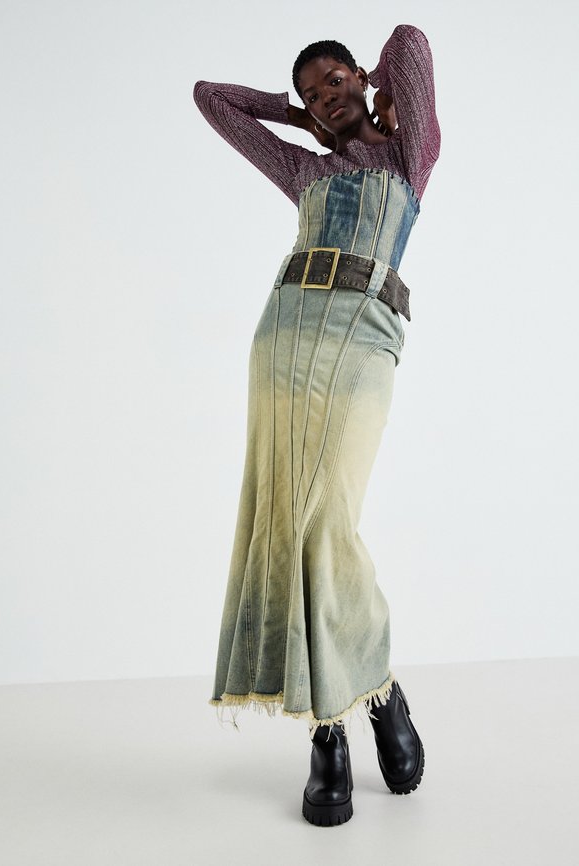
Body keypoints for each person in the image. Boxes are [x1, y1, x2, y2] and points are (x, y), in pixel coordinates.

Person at [193, 22, 441, 827]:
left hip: (365, 334)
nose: (326, 97)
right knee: (286, 525)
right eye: (312, 93)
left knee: (326, 521)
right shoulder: (302, 166)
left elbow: (410, 40)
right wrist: (292, 112)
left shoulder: (409, 155)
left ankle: (381, 693)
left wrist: (380, 87)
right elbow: (210, 99)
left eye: (335, 81)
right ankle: (329, 729)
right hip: (287, 337)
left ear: (360, 79)